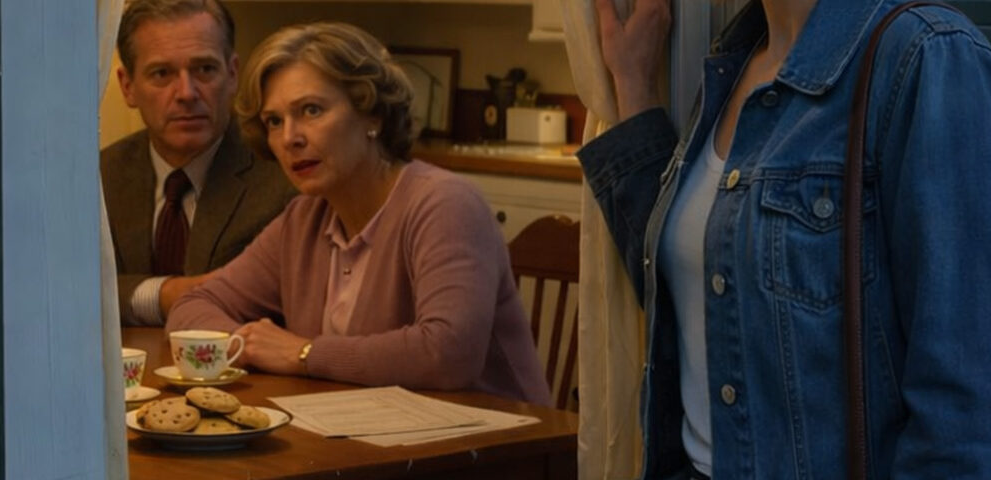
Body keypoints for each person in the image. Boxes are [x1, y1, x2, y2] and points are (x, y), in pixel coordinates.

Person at [581, 0, 991, 478]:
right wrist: (632, 86)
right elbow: (703, 305)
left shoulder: (928, 55)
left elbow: (960, 413)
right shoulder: (732, 63)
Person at [165, 22, 550, 405]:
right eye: (274, 121)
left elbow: (449, 353)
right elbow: (192, 307)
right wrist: (249, 345)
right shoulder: (303, 219)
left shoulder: (445, 203)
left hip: (498, 435)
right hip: (364, 428)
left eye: (311, 110)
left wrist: (303, 354)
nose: (289, 138)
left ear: (372, 115)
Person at [101, 0, 295, 326]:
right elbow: (71, 287)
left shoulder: (283, 173)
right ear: (127, 86)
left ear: (232, 74)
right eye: (162, 74)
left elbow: (272, 298)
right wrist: (164, 294)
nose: (187, 93)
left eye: (204, 69)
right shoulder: (101, 177)